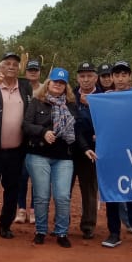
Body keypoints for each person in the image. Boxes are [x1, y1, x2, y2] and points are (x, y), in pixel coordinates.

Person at [94, 60, 132, 253]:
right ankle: (114, 234)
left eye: (123, 74)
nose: (120, 78)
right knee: (111, 194)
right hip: (110, 153)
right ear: (112, 78)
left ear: (130, 76)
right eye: (116, 75)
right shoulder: (105, 98)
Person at [22, 67, 80, 246]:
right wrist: (43, 132)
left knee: (62, 196)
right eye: (55, 81)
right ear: (48, 83)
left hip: (64, 156)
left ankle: (61, 232)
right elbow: (26, 125)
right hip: (39, 154)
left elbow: (77, 130)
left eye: (62, 83)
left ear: (66, 86)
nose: (58, 85)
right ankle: (40, 231)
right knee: (41, 195)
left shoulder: (70, 105)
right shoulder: (37, 102)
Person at [0, 52, 32, 240]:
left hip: (16, 152)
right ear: (0, 66)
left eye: (15, 64)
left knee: (12, 191)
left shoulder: (25, 88)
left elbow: (45, 90)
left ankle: (5, 225)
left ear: (19, 68)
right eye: (7, 63)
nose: (11, 66)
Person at [72, 61, 101, 239]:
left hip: (91, 150)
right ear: (78, 78)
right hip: (69, 149)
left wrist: (93, 105)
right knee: (64, 190)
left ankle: (88, 226)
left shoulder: (105, 96)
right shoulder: (70, 95)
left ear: (95, 78)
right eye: (82, 76)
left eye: (89, 76)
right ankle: (62, 224)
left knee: (89, 189)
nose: (86, 79)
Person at [15, 59, 44, 224]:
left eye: (36, 70)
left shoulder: (44, 89)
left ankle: (33, 209)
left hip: (39, 138)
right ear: (25, 72)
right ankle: (21, 209)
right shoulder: (20, 87)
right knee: (22, 176)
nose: (33, 73)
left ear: (39, 72)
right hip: (21, 137)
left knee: (36, 176)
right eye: (30, 70)